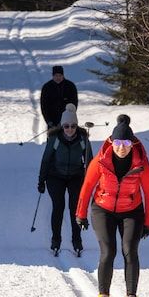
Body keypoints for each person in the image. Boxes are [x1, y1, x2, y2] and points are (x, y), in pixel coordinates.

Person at [74, 114, 149, 297]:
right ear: (112, 141)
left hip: (132, 209)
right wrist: (80, 214)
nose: (122, 147)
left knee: (130, 250)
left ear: (132, 143)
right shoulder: (100, 160)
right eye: (118, 143)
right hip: (103, 209)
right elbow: (87, 187)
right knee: (108, 251)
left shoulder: (142, 163)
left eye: (126, 143)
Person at [37, 103, 93, 257]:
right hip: (55, 176)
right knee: (58, 207)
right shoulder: (55, 139)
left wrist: (91, 181)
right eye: (67, 126)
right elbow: (46, 160)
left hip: (76, 176)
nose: (70, 129)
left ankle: (77, 240)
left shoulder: (82, 139)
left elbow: (90, 162)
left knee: (75, 209)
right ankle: (56, 240)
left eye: (73, 126)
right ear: (62, 126)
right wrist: (41, 180)